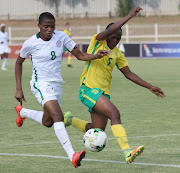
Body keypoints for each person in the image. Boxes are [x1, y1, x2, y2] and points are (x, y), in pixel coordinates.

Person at [64, 6, 165, 163]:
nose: (115, 40)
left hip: (102, 94)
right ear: (107, 35)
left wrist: (150, 86)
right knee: (114, 113)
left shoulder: (117, 54)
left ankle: (70, 120)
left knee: (97, 131)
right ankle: (127, 151)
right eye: (113, 36)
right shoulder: (97, 42)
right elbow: (106, 33)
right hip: (88, 90)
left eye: (118, 38)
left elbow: (128, 74)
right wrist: (130, 16)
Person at [14, 12, 107, 168]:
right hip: (41, 84)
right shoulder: (30, 43)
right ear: (39, 26)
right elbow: (18, 63)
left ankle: (22, 112)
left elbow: (80, 55)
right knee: (58, 115)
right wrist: (19, 89)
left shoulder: (62, 37)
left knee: (48, 121)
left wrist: (96, 56)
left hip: (57, 85)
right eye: (46, 27)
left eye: (52, 26)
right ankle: (73, 155)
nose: (50, 30)